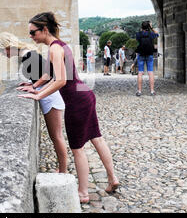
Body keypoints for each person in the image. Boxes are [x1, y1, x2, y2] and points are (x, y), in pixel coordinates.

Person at [18, 12, 120, 204]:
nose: (31, 37)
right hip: (86, 95)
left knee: (77, 148)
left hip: (76, 101)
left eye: (33, 33)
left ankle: (83, 193)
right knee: (96, 138)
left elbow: (61, 80)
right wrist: (34, 86)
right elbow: (48, 74)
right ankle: (112, 178)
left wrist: (38, 95)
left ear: (44, 29)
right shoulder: (59, 45)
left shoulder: (55, 49)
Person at [0, 32, 68, 173]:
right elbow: (43, 74)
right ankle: (62, 168)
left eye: (1, 50)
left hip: (50, 97)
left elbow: (50, 75)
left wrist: (35, 88)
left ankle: (63, 171)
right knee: (56, 136)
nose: (2, 54)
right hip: (48, 95)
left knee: (56, 137)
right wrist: (32, 83)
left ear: (8, 47)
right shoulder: (27, 54)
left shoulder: (28, 56)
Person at [135, 21, 159, 96]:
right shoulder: (151, 34)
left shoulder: (138, 34)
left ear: (141, 27)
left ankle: (139, 91)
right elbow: (157, 34)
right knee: (150, 72)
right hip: (149, 54)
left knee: (140, 72)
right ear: (148, 27)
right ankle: (152, 91)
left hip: (141, 54)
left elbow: (138, 41)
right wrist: (151, 28)